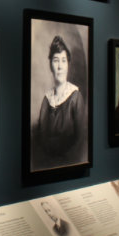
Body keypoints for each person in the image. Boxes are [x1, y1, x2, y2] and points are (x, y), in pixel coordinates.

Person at [34, 36, 87, 170]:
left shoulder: (76, 97)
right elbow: (41, 139)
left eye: (64, 61)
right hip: (46, 168)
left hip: (70, 167)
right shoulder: (46, 100)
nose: (60, 66)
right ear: (50, 65)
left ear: (68, 65)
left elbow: (80, 141)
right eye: (56, 61)